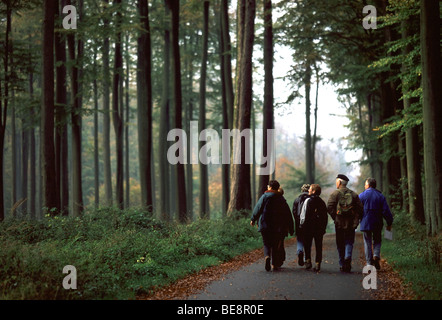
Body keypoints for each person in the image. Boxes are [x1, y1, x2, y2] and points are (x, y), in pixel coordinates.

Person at [251, 180, 294, 271]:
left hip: (265, 224)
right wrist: (291, 228)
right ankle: (274, 264)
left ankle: (267, 257)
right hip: (277, 227)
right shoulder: (281, 199)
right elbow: (287, 214)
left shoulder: (264, 197)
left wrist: (253, 219)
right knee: (275, 245)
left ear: (270, 187)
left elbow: (258, 208)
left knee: (266, 243)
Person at [327, 174, 363, 273]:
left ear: (339, 183)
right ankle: (348, 257)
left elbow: (329, 207)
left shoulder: (335, 194)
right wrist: (356, 220)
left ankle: (342, 264)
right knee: (349, 242)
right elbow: (360, 209)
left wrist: (335, 217)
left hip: (339, 224)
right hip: (351, 224)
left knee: (340, 243)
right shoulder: (354, 194)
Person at [358, 178, 393, 270]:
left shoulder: (361, 196)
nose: (365, 186)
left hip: (365, 223)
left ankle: (369, 263)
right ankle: (376, 254)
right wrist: (389, 222)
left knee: (367, 242)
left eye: (365, 184)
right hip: (377, 222)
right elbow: (385, 211)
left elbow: (357, 210)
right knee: (377, 240)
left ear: (368, 185)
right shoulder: (380, 196)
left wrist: (357, 220)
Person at [300, 184, 328, 272]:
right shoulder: (322, 202)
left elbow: (303, 215)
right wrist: (323, 228)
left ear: (313, 191)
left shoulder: (308, 201)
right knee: (318, 246)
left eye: (310, 189)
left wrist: (302, 224)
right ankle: (317, 263)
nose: (308, 190)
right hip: (319, 228)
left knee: (307, 244)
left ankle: (308, 261)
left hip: (308, 227)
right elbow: (325, 217)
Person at [292, 184, 310, 266]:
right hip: (308, 224)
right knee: (307, 241)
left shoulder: (297, 199)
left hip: (298, 224)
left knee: (300, 239)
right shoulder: (311, 199)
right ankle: (307, 258)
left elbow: (294, 212)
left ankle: (299, 251)